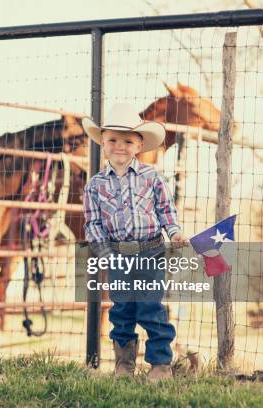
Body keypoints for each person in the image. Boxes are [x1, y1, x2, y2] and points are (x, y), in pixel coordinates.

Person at [82, 103, 188, 382]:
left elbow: (166, 210)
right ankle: (124, 365)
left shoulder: (152, 177)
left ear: (139, 145)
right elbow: (92, 224)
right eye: (113, 140)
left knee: (151, 307)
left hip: (150, 251)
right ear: (102, 143)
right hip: (117, 255)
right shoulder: (94, 185)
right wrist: (105, 253)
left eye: (128, 141)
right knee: (122, 310)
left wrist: (174, 232)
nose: (120, 146)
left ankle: (160, 365)